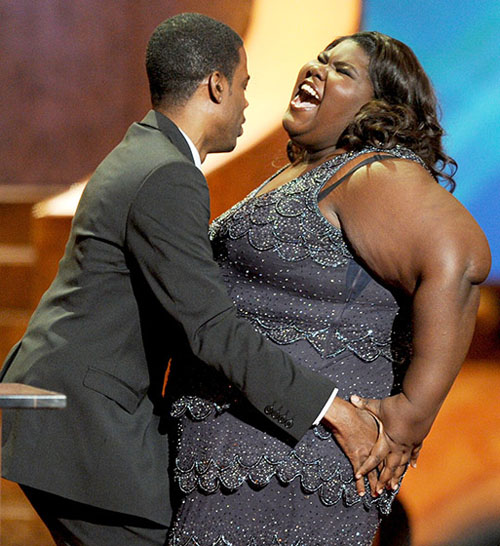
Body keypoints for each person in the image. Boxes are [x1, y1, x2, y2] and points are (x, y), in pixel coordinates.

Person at [0, 15, 391, 546]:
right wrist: (335, 410)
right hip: (80, 420)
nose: (248, 105)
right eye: (245, 87)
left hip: (69, 408)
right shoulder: (169, 173)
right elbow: (211, 329)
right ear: (216, 86)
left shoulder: (146, 152)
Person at [164, 31, 491, 545]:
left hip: (291, 472)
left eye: (342, 70)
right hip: (236, 463)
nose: (316, 69)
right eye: (319, 59)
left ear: (379, 108)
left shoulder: (372, 174)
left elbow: (463, 257)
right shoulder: (312, 170)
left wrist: (411, 414)